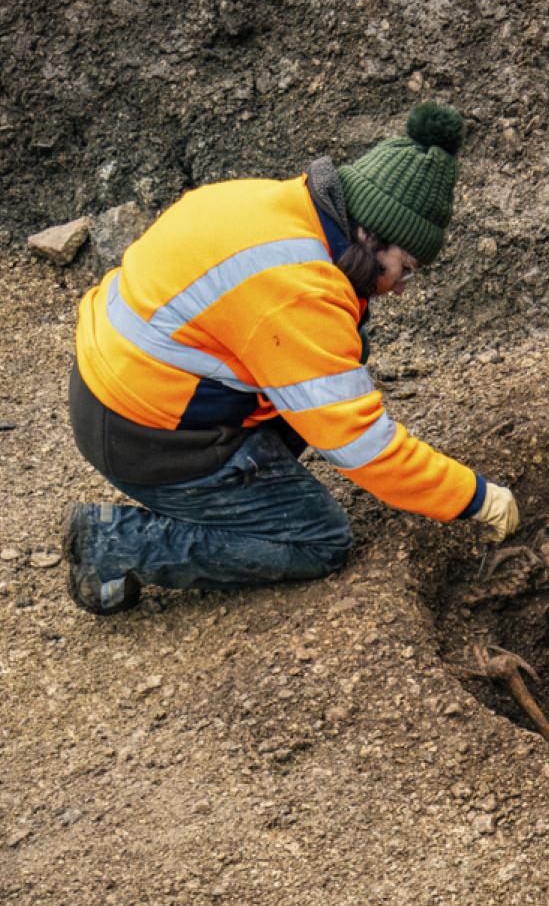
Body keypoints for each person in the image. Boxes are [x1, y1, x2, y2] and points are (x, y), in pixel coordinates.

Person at [63, 102, 520, 616]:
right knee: (319, 540)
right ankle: (115, 545)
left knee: (332, 377)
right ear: (370, 233)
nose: (401, 289)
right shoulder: (297, 287)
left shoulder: (278, 205)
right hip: (145, 437)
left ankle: (239, 486)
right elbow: (360, 444)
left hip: (118, 385)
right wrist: (475, 497)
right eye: (405, 269)